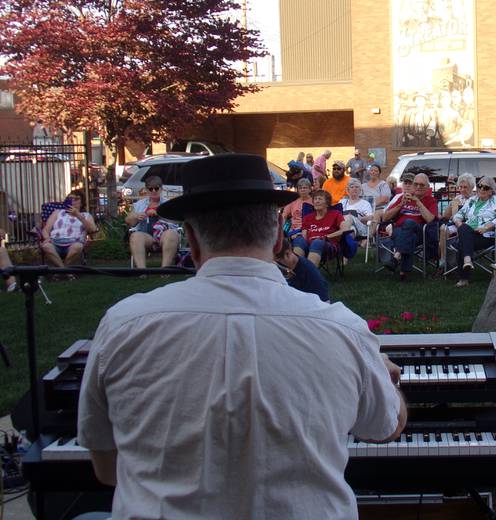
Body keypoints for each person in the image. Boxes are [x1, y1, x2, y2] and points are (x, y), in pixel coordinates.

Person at [78, 154, 405, 519]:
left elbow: (106, 471)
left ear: (191, 241)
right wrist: (385, 376)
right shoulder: (342, 329)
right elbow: (386, 427)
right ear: (280, 234)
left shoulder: (124, 324)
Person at [382, 173, 438, 281]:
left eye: (421, 185)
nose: (418, 187)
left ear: (427, 187)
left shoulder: (430, 201)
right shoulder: (403, 198)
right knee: (408, 237)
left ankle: (397, 256)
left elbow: (430, 219)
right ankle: (404, 272)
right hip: (401, 231)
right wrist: (400, 205)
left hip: (420, 232)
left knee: (409, 223)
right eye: (416, 184)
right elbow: (385, 218)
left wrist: (417, 201)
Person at [451, 177, 496, 288]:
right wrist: (460, 225)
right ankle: (467, 260)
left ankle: (464, 277)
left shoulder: (495, 200)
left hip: (485, 236)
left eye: (486, 187)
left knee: (463, 241)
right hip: (469, 234)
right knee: (464, 231)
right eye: (480, 186)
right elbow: (457, 216)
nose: (482, 189)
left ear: (491, 190)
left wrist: (486, 227)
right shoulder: (472, 200)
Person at [126, 176, 181, 269]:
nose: (154, 191)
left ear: (161, 189)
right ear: (147, 190)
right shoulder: (140, 204)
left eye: (156, 188)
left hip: (164, 235)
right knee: (135, 236)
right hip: (146, 236)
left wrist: (160, 214)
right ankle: (142, 271)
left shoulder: (168, 204)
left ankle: (164, 270)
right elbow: (128, 220)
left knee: (171, 233)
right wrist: (137, 216)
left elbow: (177, 220)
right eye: (151, 189)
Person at [40, 190, 97, 272]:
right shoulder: (58, 213)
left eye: (76, 199)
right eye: (70, 198)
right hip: (55, 242)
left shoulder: (86, 216)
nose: (73, 201)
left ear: (82, 203)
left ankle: (60, 271)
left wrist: (78, 215)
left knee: (78, 246)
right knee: (46, 246)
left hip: (74, 243)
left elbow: (93, 229)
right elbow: (45, 230)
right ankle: (66, 272)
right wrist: (47, 238)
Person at [299, 189, 353, 267]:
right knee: (299, 241)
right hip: (308, 243)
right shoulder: (307, 218)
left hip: (328, 244)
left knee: (317, 242)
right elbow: (304, 235)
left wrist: (326, 237)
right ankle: (295, 275)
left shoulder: (335, 214)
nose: (316, 201)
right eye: (315, 199)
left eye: (320, 199)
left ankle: (310, 275)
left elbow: (345, 229)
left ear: (327, 203)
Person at [273, 236, 329, 302]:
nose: (276, 264)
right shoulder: (286, 266)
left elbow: (323, 300)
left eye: (278, 260)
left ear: (287, 254)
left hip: (314, 304)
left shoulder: (310, 273)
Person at [437, 173, 475, 270]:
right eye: (460, 187)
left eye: (465, 187)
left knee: (459, 230)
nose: (462, 189)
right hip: (456, 224)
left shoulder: (476, 199)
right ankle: (443, 259)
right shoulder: (458, 198)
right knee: (443, 228)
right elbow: (446, 216)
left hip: (470, 226)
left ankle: (454, 261)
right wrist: (451, 205)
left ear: (472, 187)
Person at [281, 178, 313, 254]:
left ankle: (297, 259)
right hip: (293, 230)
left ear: (310, 189)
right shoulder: (293, 201)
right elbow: (284, 216)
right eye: (300, 188)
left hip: (309, 230)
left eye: (305, 188)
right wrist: (280, 229)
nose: (302, 190)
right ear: (298, 190)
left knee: (298, 240)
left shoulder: (314, 201)